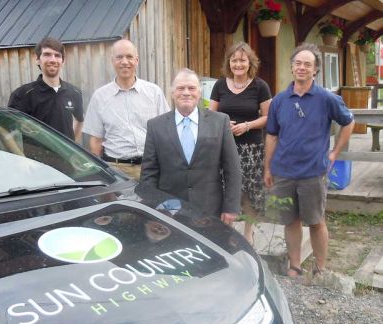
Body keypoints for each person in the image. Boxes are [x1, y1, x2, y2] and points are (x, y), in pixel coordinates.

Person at [264, 43, 354, 278]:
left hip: (313, 172)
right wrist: (268, 167)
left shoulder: (326, 98)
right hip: (283, 172)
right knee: (290, 221)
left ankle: (320, 269)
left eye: (308, 64)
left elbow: (349, 121)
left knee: (316, 221)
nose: (302, 67)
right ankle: (295, 266)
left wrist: (334, 153)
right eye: (298, 63)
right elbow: (272, 136)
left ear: (315, 70)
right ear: (292, 67)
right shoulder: (280, 100)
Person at [140, 68, 242, 224]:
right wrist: (151, 208)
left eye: (191, 88)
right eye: (180, 88)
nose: (186, 92)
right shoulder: (155, 126)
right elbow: (149, 172)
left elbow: (232, 169)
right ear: (172, 93)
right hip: (169, 210)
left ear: (199, 93)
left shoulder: (220, 121)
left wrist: (231, 207)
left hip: (211, 209)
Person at [209, 42, 272, 244]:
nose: (238, 64)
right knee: (225, 187)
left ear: (249, 62)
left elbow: (268, 117)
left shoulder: (260, 86)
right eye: (234, 60)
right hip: (224, 148)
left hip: (251, 148)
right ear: (229, 62)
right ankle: (228, 229)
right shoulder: (219, 85)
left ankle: (248, 231)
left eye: (242, 60)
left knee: (249, 190)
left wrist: (247, 125)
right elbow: (211, 115)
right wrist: (224, 124)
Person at [82, 39, 170, 180]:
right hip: (117, 171)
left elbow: (167, 132)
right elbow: (96, 141)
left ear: (137, 60)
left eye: (129, 57)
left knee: (153, 202)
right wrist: (101, 175)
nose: (124, 61)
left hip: (151, 168)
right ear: (112, 60)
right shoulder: (100, 97)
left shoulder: (154, 93)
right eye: (119, 57)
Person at [8, 37, 83, 142]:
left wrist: (74, 149)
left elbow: (79, 120)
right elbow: (7, 133)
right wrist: (21, 156)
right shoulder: (22, 95)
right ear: (38, 60)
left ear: (63, 61)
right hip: (35, 158)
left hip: (65, 158)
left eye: (57, 55)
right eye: (47, 54)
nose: (53, 60)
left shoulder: (74, 92)